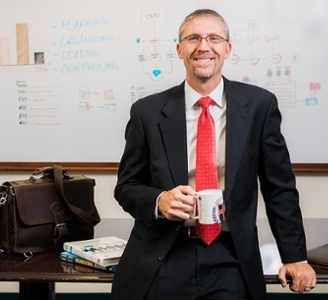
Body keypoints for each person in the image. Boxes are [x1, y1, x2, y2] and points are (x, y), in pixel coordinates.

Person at [111, 8, 316, 300]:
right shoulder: (147, 112)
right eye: (193, 38)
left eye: (213, 38)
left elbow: (279, 188)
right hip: (165, 255)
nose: (203, 46)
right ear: (179, 49)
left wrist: (295, 256)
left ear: (227, 48)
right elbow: (126, 188)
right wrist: (159, 201)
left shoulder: (259, 106)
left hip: (230, 256)